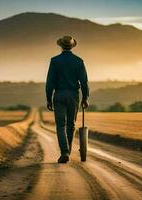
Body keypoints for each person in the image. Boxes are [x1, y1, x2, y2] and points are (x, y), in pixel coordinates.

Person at [46, 35, 89, 163]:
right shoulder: (78, 61)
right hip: (73, 95)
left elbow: (49, 82)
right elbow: (84, 82)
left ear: (61, 46)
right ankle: (68, 151)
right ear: (72, 46)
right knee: (71, 124)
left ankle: (64, 152)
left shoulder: (54, 61)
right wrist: (85, 98)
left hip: (59, 95)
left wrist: (49, 99)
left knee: (60, 125)